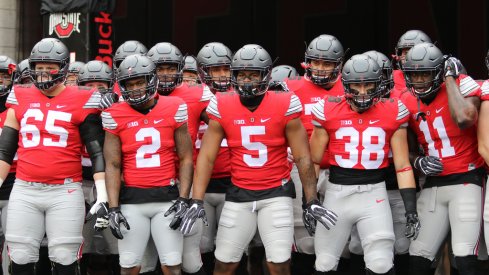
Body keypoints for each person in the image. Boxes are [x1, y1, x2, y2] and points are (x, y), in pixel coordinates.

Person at [179, 44, 337, 275]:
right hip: (239, 193)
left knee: (279, 263)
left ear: (265, 76)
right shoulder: (222, 103)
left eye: (253, 74)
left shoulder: (284, 103)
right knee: (224, 263)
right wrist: (197, 199)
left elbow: (303, 157)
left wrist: (310, 199)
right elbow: (207, 158)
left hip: (276, 193)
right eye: (242, 75)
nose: (247, 80)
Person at [0, 38, 107, 275]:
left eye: (50, 68)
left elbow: (96, 150)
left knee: (64, 256)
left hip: (65, 191)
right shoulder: (19, 95)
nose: (44, 73)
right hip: (24, 189)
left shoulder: (83, 98)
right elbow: (5, 151)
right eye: (39, 68)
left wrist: (103, 194)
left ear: (63, 68)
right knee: (19, 255)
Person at [309, 54, 418, 275]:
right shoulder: (328, 109)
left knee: (381, 263)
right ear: (345, 85)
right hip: (336, 193)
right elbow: (313, 161)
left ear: (379, 85)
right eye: (356, 85)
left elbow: (403, 166)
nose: (361, 91)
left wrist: (411, 210)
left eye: (368, 84)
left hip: (374, 194)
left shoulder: (393, 110)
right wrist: (309, 201)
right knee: (325, 263)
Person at [102, 53, 193, 275]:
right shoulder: (114, 113)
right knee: (129, 267)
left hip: (167, 199)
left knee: (172, 266)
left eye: (140, 82)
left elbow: (186, 158)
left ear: (151, 80)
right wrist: (113, 208)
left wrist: (183, 198)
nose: (134, 88)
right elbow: (113, 164)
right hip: (132, 199)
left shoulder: (174, 106)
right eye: (129, 84)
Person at [399, 43, 483, 275]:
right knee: (418, 257)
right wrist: (417, 162)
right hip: (434, 185)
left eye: (425, 73)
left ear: (439, 72)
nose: (419, 81)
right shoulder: (406, 100)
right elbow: (402, 149)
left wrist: (450, 79)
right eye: (414, 75)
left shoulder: (461, 84)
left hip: (467, 180)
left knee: (464, 257)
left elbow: (465, 118)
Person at [147, 42, 212, 275]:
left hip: (184, 182)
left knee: (189, 259)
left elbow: (224, 123)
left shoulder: (196, 95)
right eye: (159, 68)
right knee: (148, 256)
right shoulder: (132, 94)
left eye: (170, 68)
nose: (165, 74)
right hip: (148, 184)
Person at [284, 34, 346, 275]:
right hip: (303, 167)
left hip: (340, 171)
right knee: (303, 232)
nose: (320, 68)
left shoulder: (352, 85)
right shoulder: (290, 86)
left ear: (339, 65)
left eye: (327, 63)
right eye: (316, 62)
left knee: (338, 231)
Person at [77, 60, 121, 275]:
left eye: (100, 85)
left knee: (117, 243)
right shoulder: (72, 106)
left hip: (113, 183)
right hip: (81, 183)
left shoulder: (119, 107)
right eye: (89, 85)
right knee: (80, 243)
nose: (95, 91)